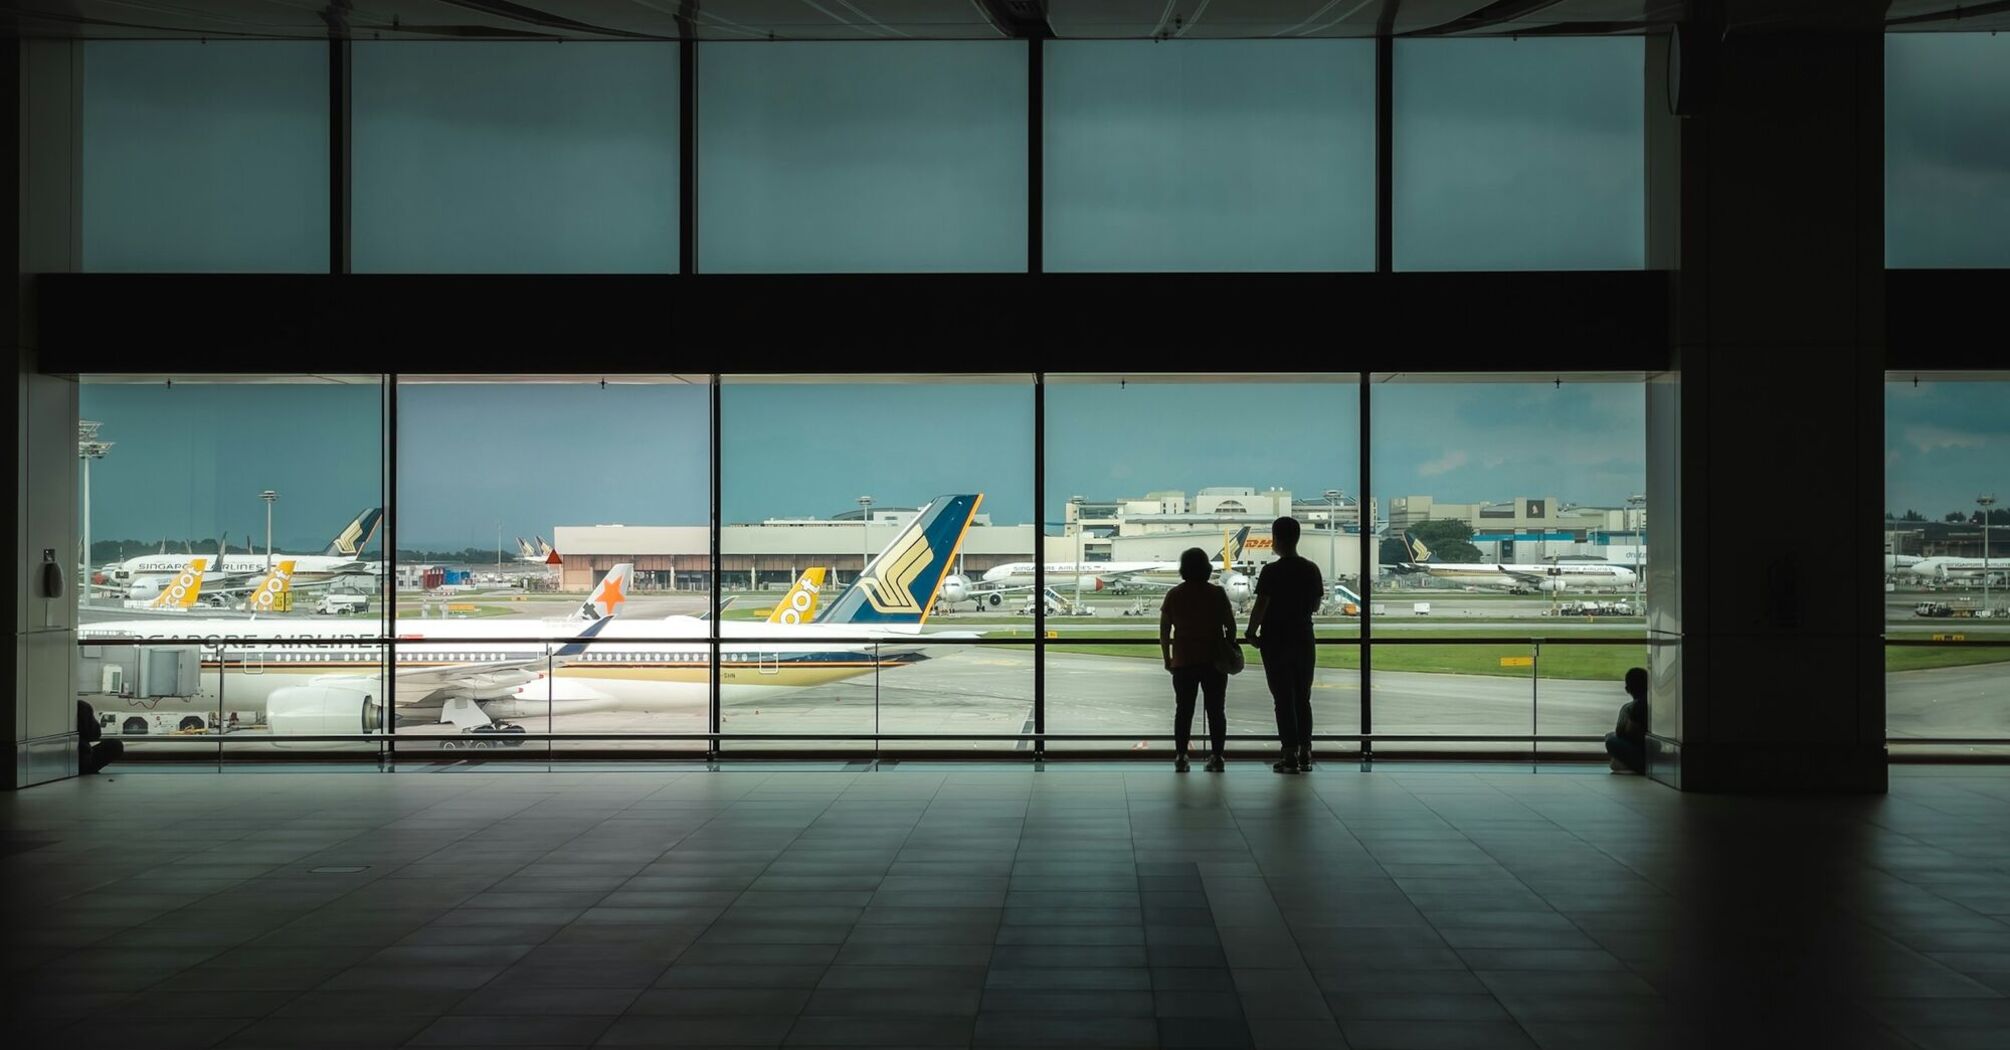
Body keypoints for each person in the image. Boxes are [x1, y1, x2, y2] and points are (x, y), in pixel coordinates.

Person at [1245, 516, 1323, 774]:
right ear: (1298, 537)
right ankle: (1305, 752)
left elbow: (1261, 605)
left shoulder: (1271, 572)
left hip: (1275, 640)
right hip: (1303, 637)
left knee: (1282, 698)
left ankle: (1288, 752)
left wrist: (1251, 632)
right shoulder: (1311, 569)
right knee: (1303, 698)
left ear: (1275, 539)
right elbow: (1314, 606)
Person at [1160, 548, 1236, 773]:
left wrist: (1168, 658)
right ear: (1207, 567)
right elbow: (1230, 626)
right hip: (1214, 660)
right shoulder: (1217, 593)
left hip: (1184, 660)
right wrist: (1227, 647)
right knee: (1216, 711)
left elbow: (1164, 630)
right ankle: (1218, 757)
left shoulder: (1174, 594)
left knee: (1183, 711)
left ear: (1183, 568)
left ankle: (1182, 757)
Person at [1605, 667, 1651, 774]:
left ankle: (1630, 764)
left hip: (1642, 754)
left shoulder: (1636, 706)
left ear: (1627, 689)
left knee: (1610, 739)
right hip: (1653, 750)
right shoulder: (1651, 702)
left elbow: (1628, 733)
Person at [79, 700, 122, 776]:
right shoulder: (81, 706)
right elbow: (95, 734)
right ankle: (87, 770)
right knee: (115, 745)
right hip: (83, 758)